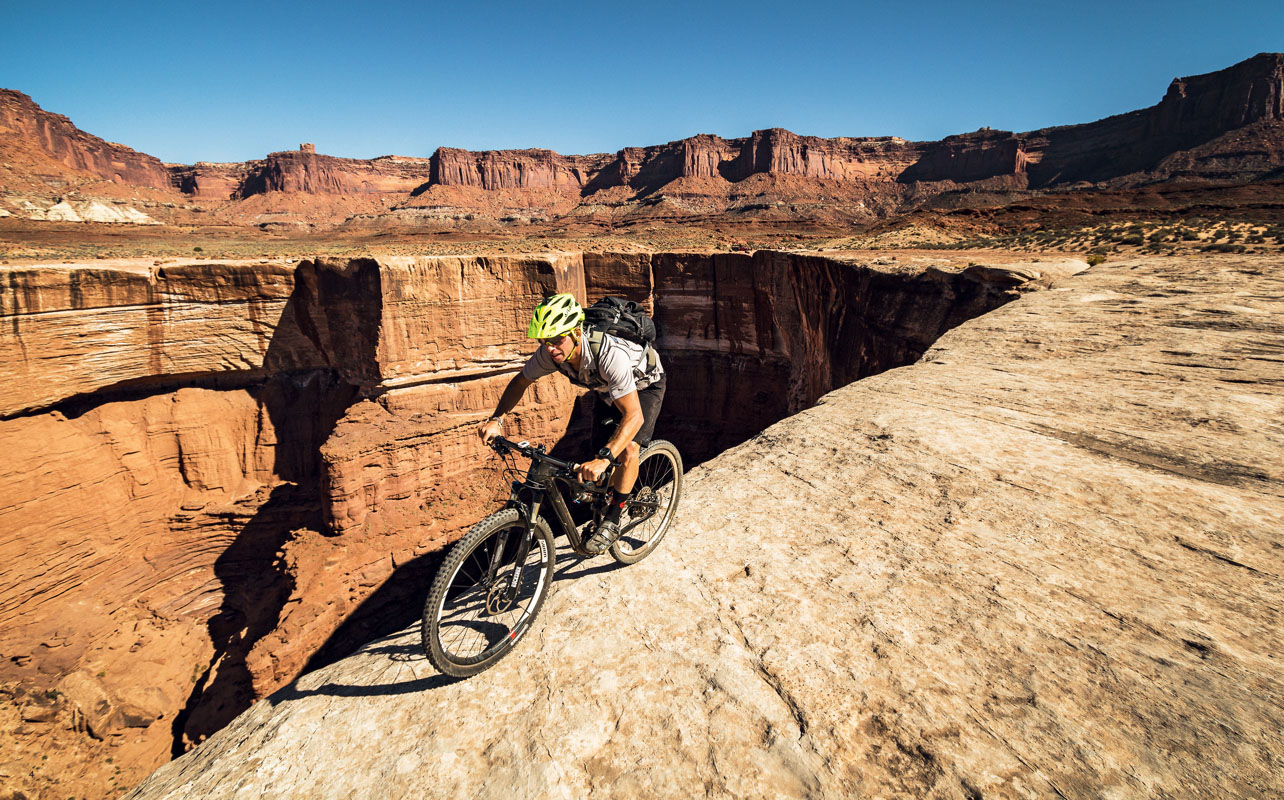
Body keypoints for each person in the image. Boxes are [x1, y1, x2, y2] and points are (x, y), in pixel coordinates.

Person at [478, 293, 666, 555]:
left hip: (644, 386)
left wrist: (604, 460)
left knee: (626, 449)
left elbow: (634, 416)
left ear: (576, 332)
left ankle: (613, 517)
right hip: (606, 391)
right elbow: (521, 382)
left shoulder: (610, 355)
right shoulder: (550, 354)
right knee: (598, 450)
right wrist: (496, 419)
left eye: (557, 339)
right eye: (544, 341)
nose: (551, 348)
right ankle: (602, 501)